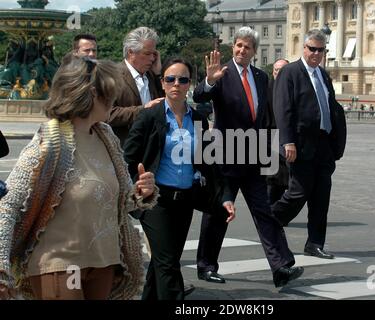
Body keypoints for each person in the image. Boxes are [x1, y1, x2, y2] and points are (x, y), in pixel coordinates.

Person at [0, 56, 158, 300]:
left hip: (105, 262)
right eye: (110, 91)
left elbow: (120, 200)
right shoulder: (49, 143)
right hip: (61, 264)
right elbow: (7, 205)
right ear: (92, 94)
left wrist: (140, 193)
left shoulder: (106, 136)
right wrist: (1, 267)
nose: (114, 98)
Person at [193, 26, 303, 288]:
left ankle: (280, 266)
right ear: (234, 47)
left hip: (253, 155)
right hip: (225, 153)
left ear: (254, 51)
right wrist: (209, 81)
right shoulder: (222, 73)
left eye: (247, 47)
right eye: (238, 45)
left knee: (265, 211)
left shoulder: (260, 77)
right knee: (218, 213)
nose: (242, 50)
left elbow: (264, 116)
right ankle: (206, 266)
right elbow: (199, 97)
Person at [123, 58, 235, 300]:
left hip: (184, 200)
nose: (176, 84)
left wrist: (225, 196)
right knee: (168, 265)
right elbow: (127, 158)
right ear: (162, 84)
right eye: (170, 79)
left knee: (166, 260)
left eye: (183, 80)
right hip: (155, 200)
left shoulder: (198, 120)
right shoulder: (149, 116)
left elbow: (210, 163)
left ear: (189, 85)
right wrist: (138, 184)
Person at [271, 29, 347, 260]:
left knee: (321, 197)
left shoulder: (323, 75)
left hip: (323, 144)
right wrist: (288, 141)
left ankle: (314, 243)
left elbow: (331, 106)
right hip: (301, 143)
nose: (315, 53)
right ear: (303, 48)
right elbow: (283, 109)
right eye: (311, 48)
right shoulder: (290, 72)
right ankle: (270, 221)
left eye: (320, 50)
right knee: (298, 192)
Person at [108, 27, 165, 145]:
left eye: (154, 54)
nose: (152, 58)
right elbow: (108, 114)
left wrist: (159, 74)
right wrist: (143, 110)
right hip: (125, 150)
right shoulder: (113, 76)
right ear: (130, 52)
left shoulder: (153, 76)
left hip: (152, 149)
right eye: (147, 53)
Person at [266, 58, 289, 205]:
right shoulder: (266, 88)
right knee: (270, 178)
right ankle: (269, 213)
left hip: (287, 138)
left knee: (283, 179)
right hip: (268, 137)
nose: (278, 73)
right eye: (276, 70)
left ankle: (277, 212)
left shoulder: (292, 90)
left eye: (282, 71)